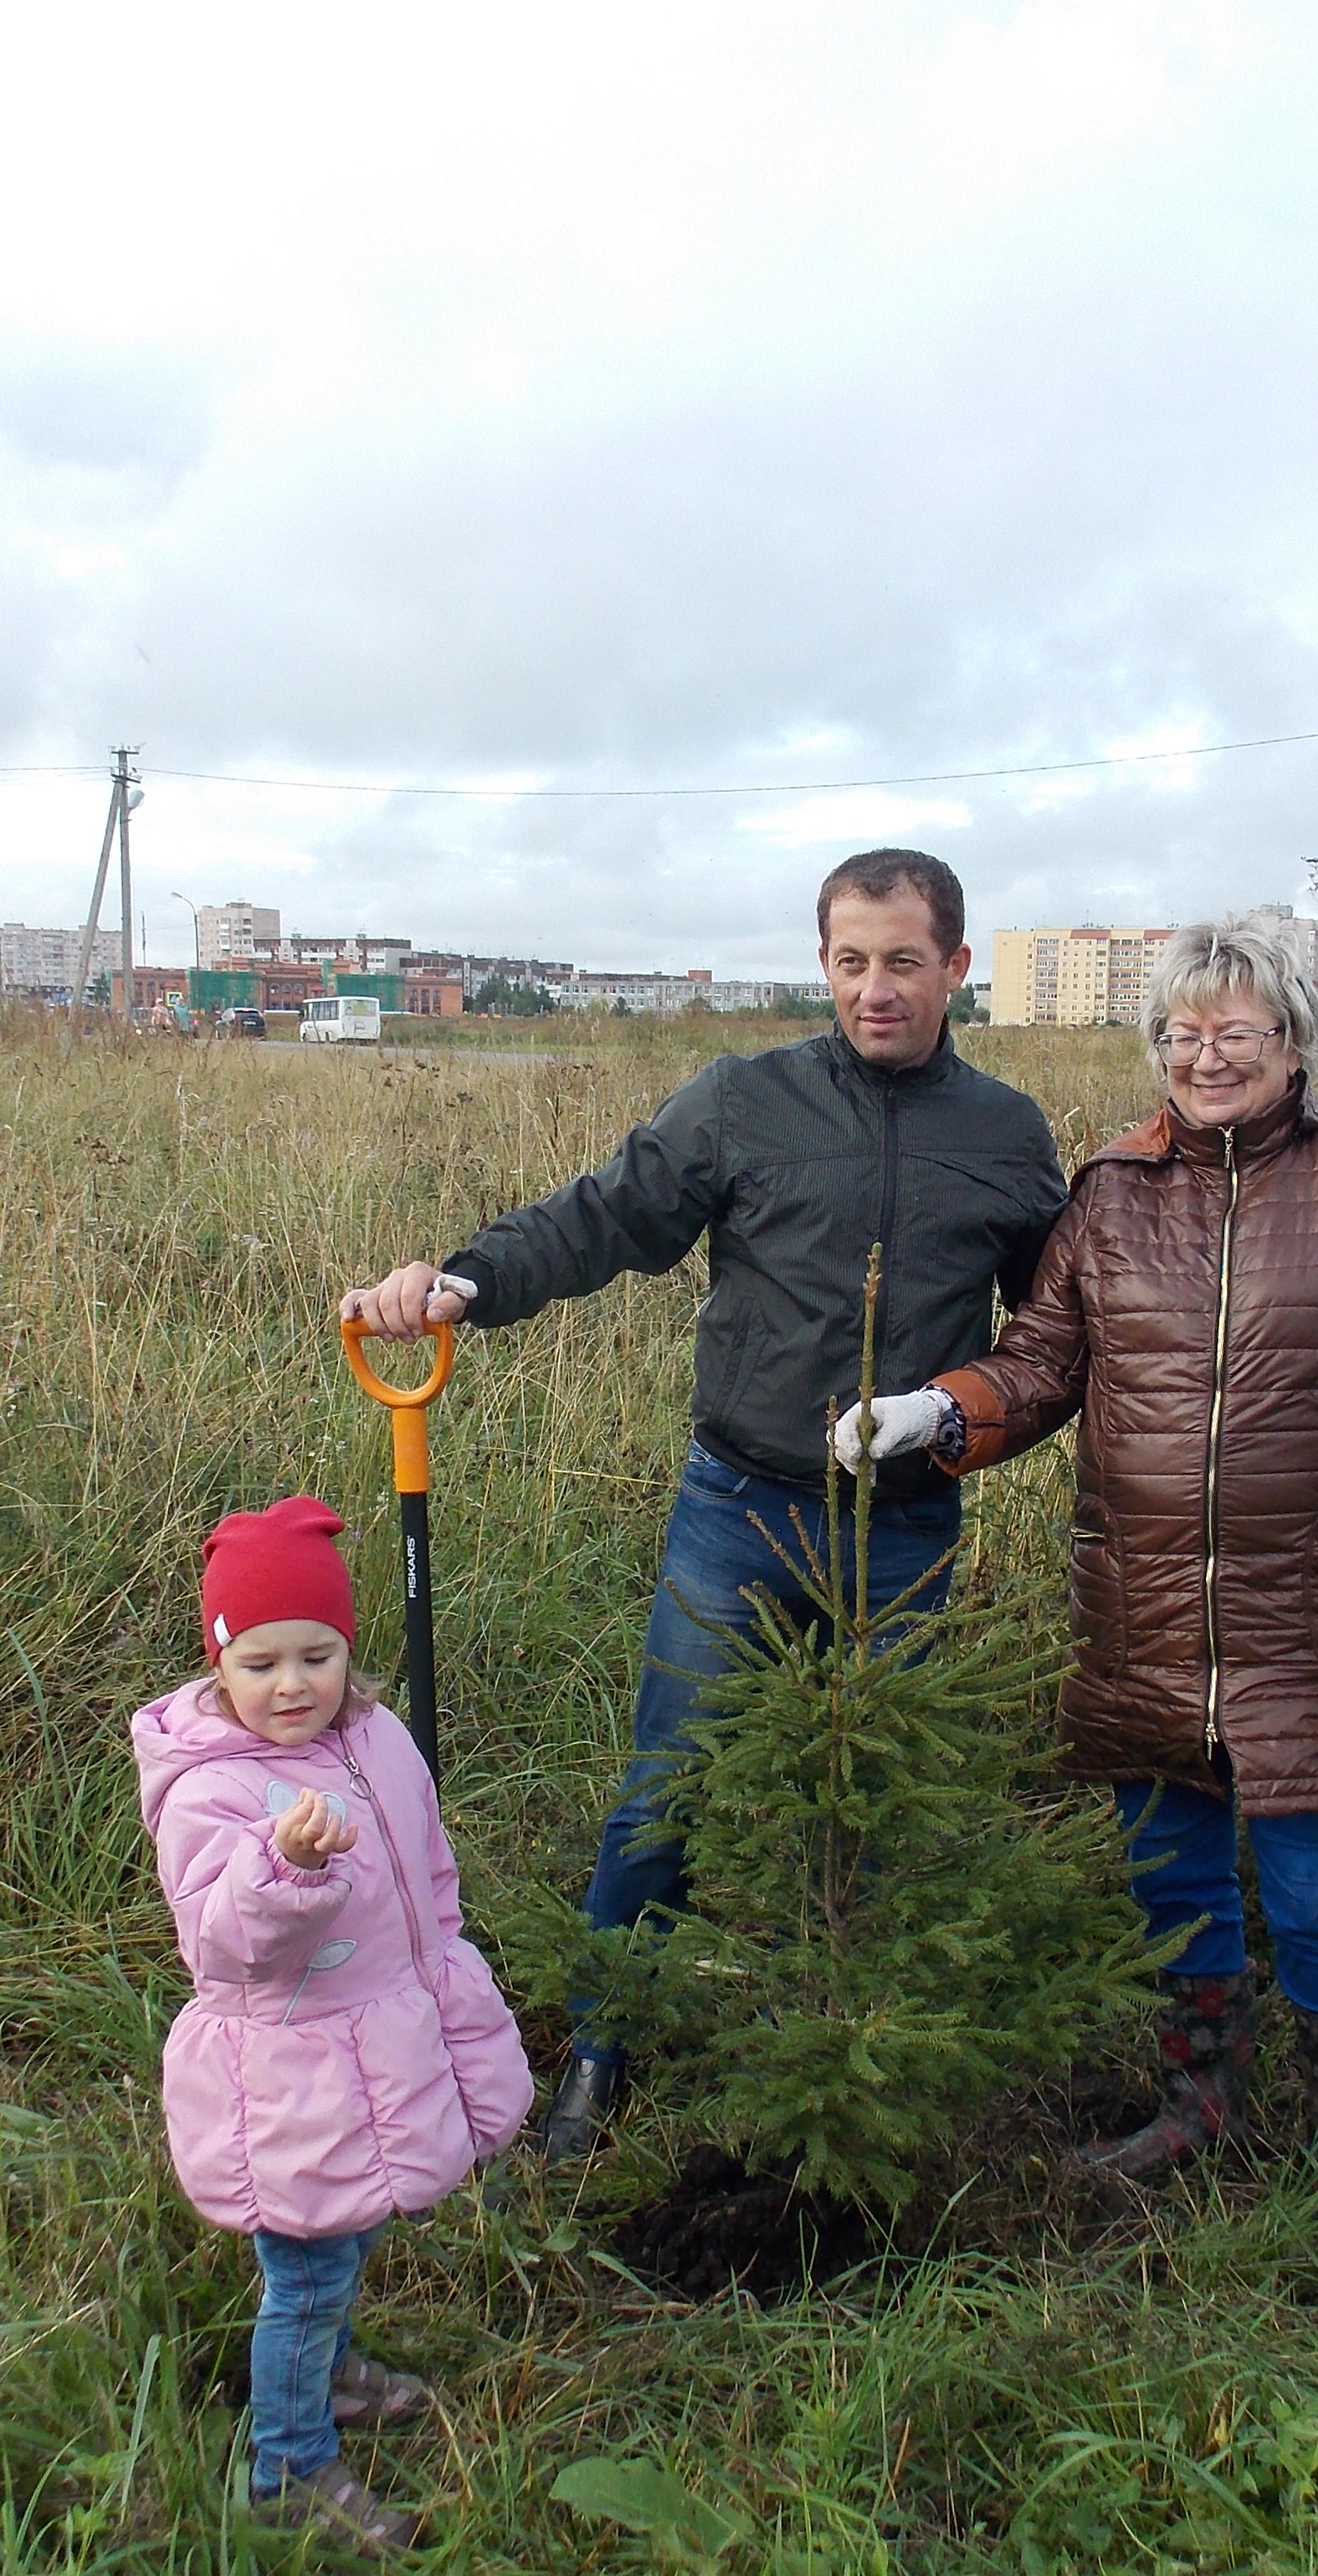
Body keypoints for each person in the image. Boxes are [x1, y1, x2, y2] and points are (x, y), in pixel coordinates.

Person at [338, 850, 1067, 2162]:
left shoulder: (1007, 1135)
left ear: (959, 966)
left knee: (880, 1794)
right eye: (851, 960)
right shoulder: (747, 1100)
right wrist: (464, 1280)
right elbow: (609, 1215)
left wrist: (963, 1415)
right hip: (738, 1507)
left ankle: (855, 2061)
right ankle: (603, 2049)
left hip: (903, 1523)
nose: (876, 989)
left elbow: (1056, 1332)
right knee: (666, 1787)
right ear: (823, 963)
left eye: (904, 960)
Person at [837, 912, 1318, 2186]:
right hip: (1141, 1609)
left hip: (1308, 1613)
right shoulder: (1110, 1194)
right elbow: (1045, 1363)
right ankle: (1197, 2103)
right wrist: (943, 1411)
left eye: (1236, 1033)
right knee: (1174, 1879)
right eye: (1179, 1033)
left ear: (1297, 1039)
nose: (1205, 1059)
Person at [131, 1496, 535, 2553]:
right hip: (292, 2077)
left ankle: (333, 2374)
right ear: (218, 1660)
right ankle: (287, 2468)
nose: (291, 1686)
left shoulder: (376, 1735)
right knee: (302, 2277)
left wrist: (446, 1969)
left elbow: (425, 1867)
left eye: (316, 1655)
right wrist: (287, 1869)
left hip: (381, 2042)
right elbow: (220, 1942)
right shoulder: (209, 1789)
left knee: (340, 2245)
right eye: (260, 1663)